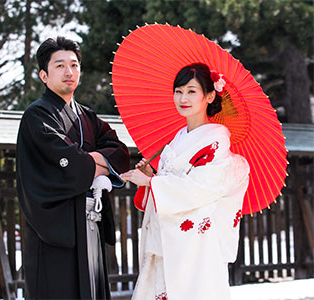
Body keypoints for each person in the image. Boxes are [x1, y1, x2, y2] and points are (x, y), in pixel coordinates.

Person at [120, 63, 250, 300]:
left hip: (196, 244)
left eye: (192, 91)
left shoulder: (217, 141)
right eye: (178, 91)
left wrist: (152, 185)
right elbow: (173, 184)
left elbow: (202, 188)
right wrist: (152, 176)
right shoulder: (178, 139)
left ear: (210, 96)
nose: (183, 98)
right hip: (167, 237)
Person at [16, 36, 130, 299]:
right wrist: (100, 165)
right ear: (44, 75)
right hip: (56, 228)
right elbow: (72, 164)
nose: (69, 72)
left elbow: (121, 153)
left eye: (74, 65)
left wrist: (90, 164)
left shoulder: (86, 115)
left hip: (90, 221)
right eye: (60, 66)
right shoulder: (37, 115)